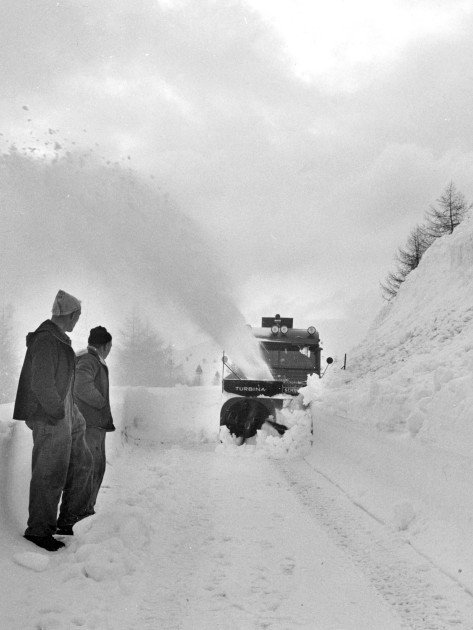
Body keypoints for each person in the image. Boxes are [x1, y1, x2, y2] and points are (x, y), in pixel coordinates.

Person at [13, 290, 93, 551]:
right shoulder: (46, 340)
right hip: (50, 416)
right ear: (70, 315)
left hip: (65, 411)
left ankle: (69, 521)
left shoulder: (58, 339)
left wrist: (71, 412)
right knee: (49, 473)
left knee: (81, 462)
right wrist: (57, 412)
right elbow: (41, 383)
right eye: (76, 316)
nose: (77, 321)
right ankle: (39, 531)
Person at [73, 326, 115, 517]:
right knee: (90, 470)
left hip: (94, 424)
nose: (110, 350)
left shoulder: (91, 359)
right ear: (105, 345)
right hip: (90, 425)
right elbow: (80, 384)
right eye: (110, 346)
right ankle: (80, 514)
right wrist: (100, 402)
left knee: (95, 468)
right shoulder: (89, 360)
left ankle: (85, 511)